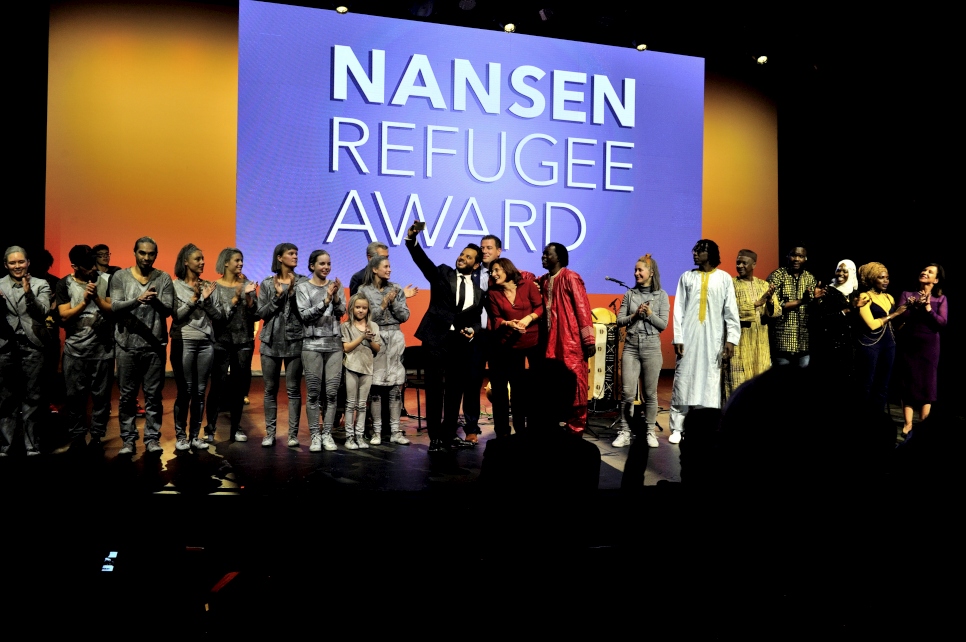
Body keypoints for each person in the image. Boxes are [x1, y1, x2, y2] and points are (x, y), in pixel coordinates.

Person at [405, 224, 483, 452]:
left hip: (460, 345)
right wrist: (412, 239)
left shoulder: (479, 292)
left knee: (455, 391)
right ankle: (435, 438)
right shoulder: (442, 272)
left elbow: (476, 319)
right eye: (461, 254)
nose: (462, 258)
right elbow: (422, 260)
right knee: (434, 390)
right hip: (436, 340)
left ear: (476, 264)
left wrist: (472, 330)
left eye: (468, 257)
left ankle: (449, 435)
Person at [668, 239, 740, 444]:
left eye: (700, 251)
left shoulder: (724, 278)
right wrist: (678, 337)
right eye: (695, 251)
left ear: (711, 254)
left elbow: (730, 311)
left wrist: (731, 340)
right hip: (689, 338)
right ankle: (678, 427)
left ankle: (706, 425)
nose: (695, 254)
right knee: (683, 380)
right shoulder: (687, 277)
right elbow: (679, 309)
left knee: (709, 380)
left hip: (713, 338)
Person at [111, 237, 174, 455]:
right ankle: (128, 440)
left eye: (151, 254)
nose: (147, 258)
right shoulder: (120, 276)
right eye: (142, 253)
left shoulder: (163, 277)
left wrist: (153, 299)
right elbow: (116, 306)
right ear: (135, 253)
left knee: (153, 395)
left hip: (154, 345)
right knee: (127, 396)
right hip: (126, 345)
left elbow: (167, 310)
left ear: (156, 255)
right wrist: (138, 299)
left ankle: (151, 439)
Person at [56, 245, 115, 450]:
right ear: (75, 266)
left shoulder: (106, 280)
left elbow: (111, 312)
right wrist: (84, 302)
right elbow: (63, 316)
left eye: (93, 263)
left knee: (101, 398)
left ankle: (97, 436)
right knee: (75, 398)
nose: (93, 269)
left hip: (102, 349)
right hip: (75, 351)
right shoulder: (65, 284)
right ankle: (78, 437)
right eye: (87, 266)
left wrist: (96, 298)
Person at [538, 242, 596, 435]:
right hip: (551, 341)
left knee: (575, 379)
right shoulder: (545, 280)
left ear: (559, 258)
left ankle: (577, 426)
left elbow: (583, 309)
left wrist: (588, 340)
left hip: (570, 340)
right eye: (544, 254)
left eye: (548, 254)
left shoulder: (570, 277)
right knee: (554, 382)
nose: (544, 257)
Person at [613, 253, 669, 448]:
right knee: (628, 393)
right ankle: (625, 431)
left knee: (650, 393)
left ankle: (649, 431)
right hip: (631, 345)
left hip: (652, 346)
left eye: (640, 270)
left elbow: (663, 325)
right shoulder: (630, 294)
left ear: (651, 273)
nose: (636, 273)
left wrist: (650, 314)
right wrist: (635, 315)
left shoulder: (661, 295)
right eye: (635, 270)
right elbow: (619, 321)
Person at [1, 246, 51, 455]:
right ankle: (6, 445)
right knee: (6, 398)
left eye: (21, 262)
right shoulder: (0, 285)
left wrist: (29, 292)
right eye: (12, 263)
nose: (17, 266)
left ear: (28, 262)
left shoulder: (40, 284)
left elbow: (43, 312)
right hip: (5, 345)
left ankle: (32, 445)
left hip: (32, 345)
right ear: (6, 265)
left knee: (33, 397)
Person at [485, 257, 543, 438]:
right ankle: (502, 434)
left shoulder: (528, 285)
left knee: (520, 392)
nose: (493, 275)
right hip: (506, 346)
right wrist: (508, 323)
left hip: (530, 343)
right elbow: (495, 318)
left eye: (496, 271)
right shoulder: (493, 292)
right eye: (492, 272)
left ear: (507, 269)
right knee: (501, 392)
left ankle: (521, 431)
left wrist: (528, 319)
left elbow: (540, 307)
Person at [205, 247, 257, 445]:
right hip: (221, 342)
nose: (240, 263)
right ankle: (210, 427)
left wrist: (250, 298)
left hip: (244, 342)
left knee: (239, 388)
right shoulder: (215, 286)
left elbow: (257, 313)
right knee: (217, 386)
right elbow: (217, 318)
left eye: (242, 260)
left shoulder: (247, 284)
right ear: (226, 262)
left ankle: (236, 428)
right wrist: (236, 298)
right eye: (237, 260)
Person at [257, 243, 307, 448]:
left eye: (296, 253)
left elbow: (304, 311)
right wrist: (278, 298)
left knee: (294, 389)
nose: (295, 256)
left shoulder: (303, 282)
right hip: (271, 342)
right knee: (270, 389)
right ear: (279, 257)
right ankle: (270, 433)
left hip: (295, 340)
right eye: (291, 253)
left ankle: (292, 435)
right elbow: (262, 313)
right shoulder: (269, 284)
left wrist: (294, 293)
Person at [170, 243, 219, 451]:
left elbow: (217, 316)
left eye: (203, 259)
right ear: (186, 262)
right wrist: (195, 299)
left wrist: (206, 301)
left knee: (200, 392)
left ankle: (195, 435)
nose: (202, 262)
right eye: (198, 259)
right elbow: (177, 315)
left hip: (205, 341)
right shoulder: (174, 286)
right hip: (184, 340)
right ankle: (181, 436)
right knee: (185, 390)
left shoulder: (208, 285)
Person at [358, 254, 411, 445]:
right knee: (377, 387)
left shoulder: (396, 289)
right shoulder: (363, 291)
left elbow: (404, 316)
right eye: (385, 267)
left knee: (396, 387)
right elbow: (369, 319)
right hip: (376, 337)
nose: (389, 270)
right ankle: (376, 432)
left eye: (390, 267)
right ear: (374, 269)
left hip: (395, 337)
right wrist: (383, 303)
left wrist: (394, 301)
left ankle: (396, 431)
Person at [296, 250, 345, 452]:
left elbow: (342, 312)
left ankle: (327, 434)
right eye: (322, 264)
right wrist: (325, 301)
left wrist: (334, 298)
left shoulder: (335, 287)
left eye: (328, 263)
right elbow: (305, 315)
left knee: (332, 393)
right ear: (312, 266)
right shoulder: (303, 288)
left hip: (334, 344)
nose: (326, 267)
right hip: (312, 344)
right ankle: (315, 435)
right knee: (314, 394)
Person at [896, 263, 947, 434]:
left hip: (929, 347)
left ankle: (923, 425)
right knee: (908, 381)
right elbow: (900, 315)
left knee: (927, 384)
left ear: (936, 280)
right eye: (924, 270)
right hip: (909, 344)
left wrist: (928, 309)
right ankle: (908, 423)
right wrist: (910, 306)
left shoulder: (940, 299)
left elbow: (941, 323)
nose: (925, 272)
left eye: (930, 272)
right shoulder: (907, 294)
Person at [724, 249, 779, 400]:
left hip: (760, 343)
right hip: (739, 341)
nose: (740, 265)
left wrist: (769, 302)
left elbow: (775, 313)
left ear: (754, 264)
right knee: (737, 383)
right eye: (738, 262)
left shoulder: (764, 285)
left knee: (760, 384)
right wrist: (757, 303)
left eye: (744, 263)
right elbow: (729, 311)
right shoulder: (731, 284)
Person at [854, 262, 905, 414]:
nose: (885, 281)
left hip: (889, 344)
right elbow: (871, 324)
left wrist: (907, 315)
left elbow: (895, 325)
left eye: (887, 278)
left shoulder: (889, 297)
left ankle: (877, 418)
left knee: (883, 384)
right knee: (867, 383)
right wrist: (894, 314)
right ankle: (863, 417)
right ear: (871, 279)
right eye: (881, 278)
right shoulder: (865, 296)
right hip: (871, 344)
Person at [341, 293, 381, 449]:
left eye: (364, 308)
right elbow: (346, 347)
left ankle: (359, 435)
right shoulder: (346, 326)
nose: (361, 310)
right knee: (350, 403)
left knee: (362, 404)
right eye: (358, 307)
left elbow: (377, 348)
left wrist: (370, 339)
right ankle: (349, 437)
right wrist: (362, 337)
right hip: (351, 366)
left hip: (367, 367)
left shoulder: (374, 326)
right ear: (352, 308)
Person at [767, 246, 818, 367]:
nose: (796, 259)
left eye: (800, 256)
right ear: (787, 257)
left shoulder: (810, 278)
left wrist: (817, 300)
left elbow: (813, 308)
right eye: (793, 255)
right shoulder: (777, 276)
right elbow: (774, 307)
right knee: (784, 383)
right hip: (782, 342)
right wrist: (801, 301)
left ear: (805, 259)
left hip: (804, 343)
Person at [808, 259, 858, 379]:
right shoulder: (828, 291)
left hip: (850, 345)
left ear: (851, 273)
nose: (840, 274)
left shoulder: (855, 293)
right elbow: (821, 318)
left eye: (845, 271)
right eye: (838, 270)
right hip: (830, 344)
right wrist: (844, 311)